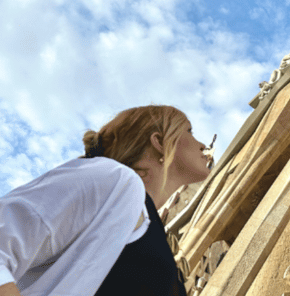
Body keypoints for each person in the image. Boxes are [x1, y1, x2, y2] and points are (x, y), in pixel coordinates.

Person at [0, 105, 212, 296]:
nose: (202, 145)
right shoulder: (114, 179)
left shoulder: (148, 222)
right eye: (189, 131)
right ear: (159, 142)